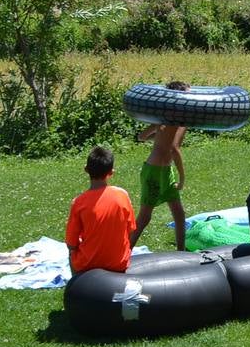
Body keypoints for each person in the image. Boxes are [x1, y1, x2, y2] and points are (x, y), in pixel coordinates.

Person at [134, 80, 189, 251]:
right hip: (155, 172)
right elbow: (174, 149)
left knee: (179, 215)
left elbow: (141, 137)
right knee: (144, 218)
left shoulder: (163, 117)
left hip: (163, 170)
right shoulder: (181, 120)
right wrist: (182, 179)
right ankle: (123, 253)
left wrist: (159, 136)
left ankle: (181, 252)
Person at [66, 146, 137, 274]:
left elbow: (71, 243)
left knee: (71, 254)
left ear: (86, 170)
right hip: (118, 263)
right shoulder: (123, 195)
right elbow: (131, 230)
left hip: (88, 265)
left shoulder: (78, 202)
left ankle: (75, 286)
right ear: (111, 172)